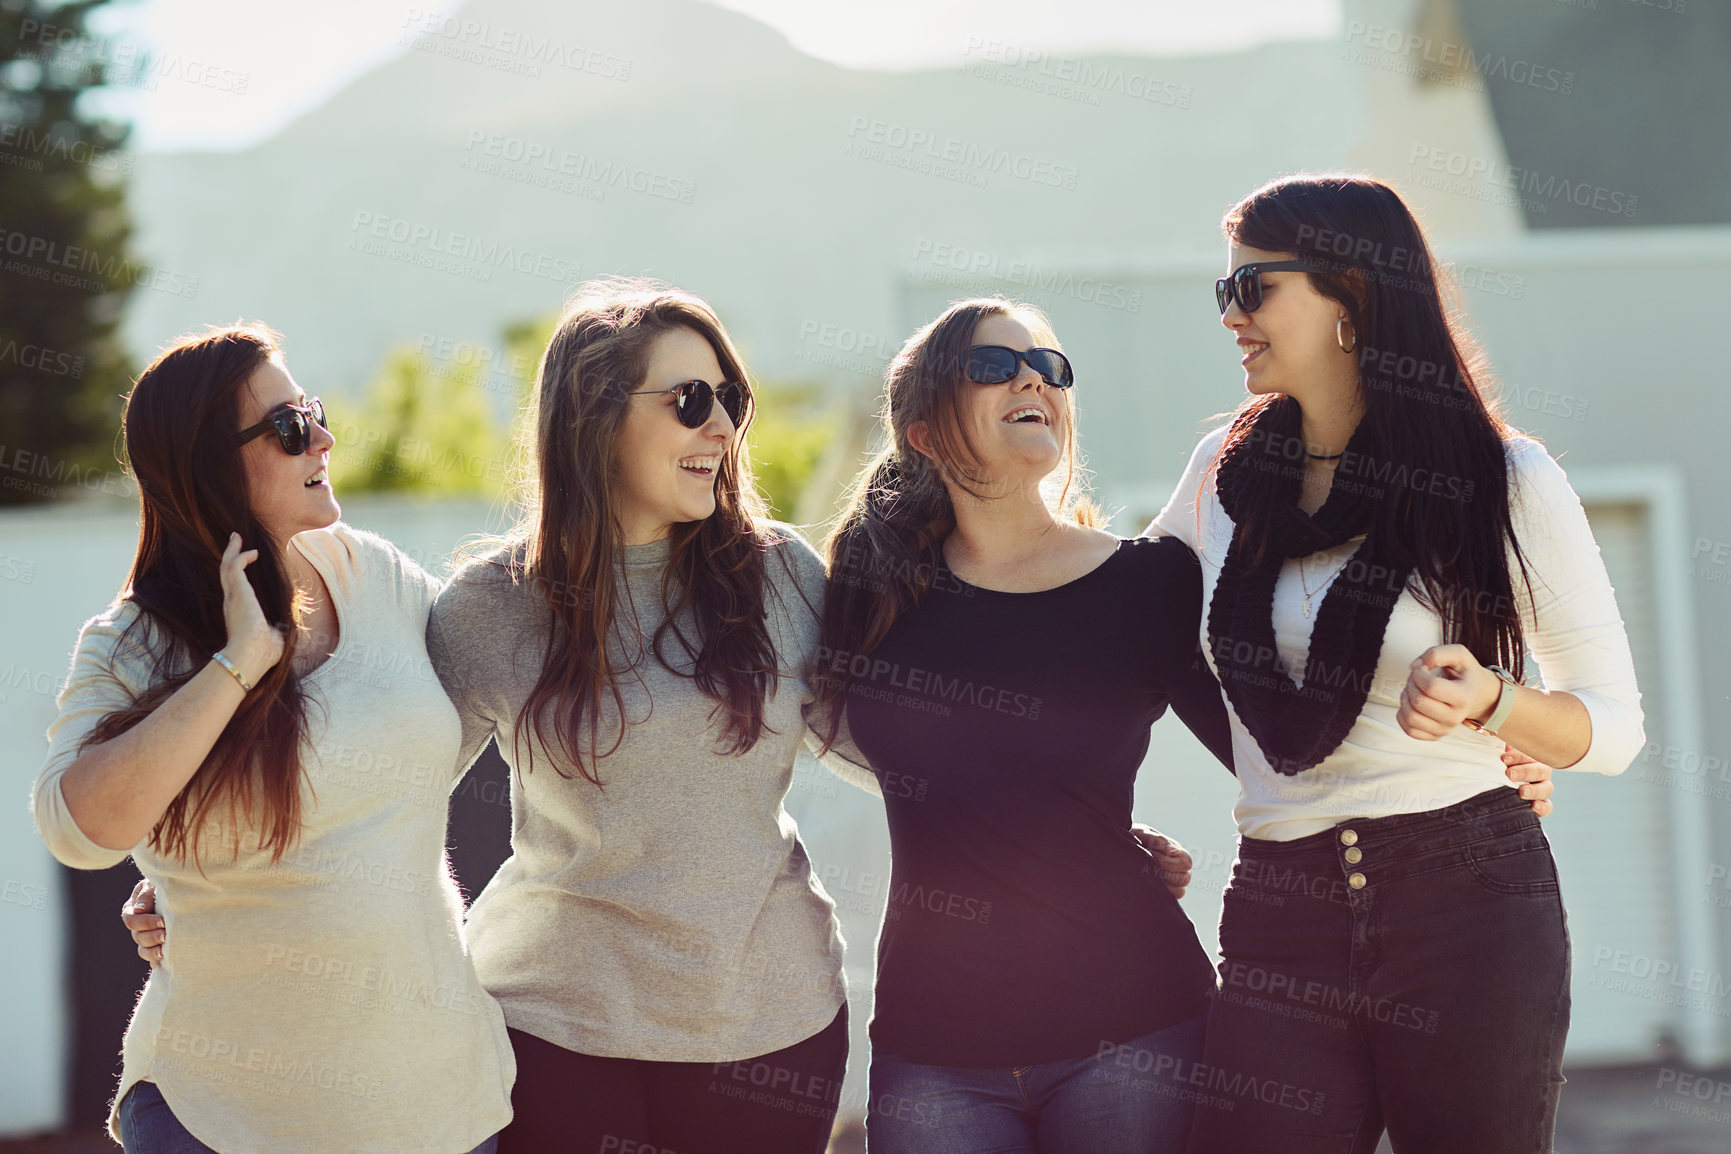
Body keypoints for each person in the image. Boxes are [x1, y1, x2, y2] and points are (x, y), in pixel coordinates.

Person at [1152, 173, 1643, 1154]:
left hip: (1467, 902)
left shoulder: (1502, 480)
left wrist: (1500, 703)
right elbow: (1136, 623)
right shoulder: (1222, 473)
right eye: (1224, 292)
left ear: (1352, 298)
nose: (1231, 317)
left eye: (1255, 289)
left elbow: (1615, 727)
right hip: (1280, 903)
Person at [422, 281, 878, 1154]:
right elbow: (387, 790)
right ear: (593, 416)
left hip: (768, 1020)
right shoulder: (491, 606)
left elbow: (880, 750)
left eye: (731, 401)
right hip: (552, 1020)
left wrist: (1079, 831)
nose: (721, 429)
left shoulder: (781, 576)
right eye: (689, 401)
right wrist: (210, 889)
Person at [34, 324, 512, 1153]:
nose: (323, 437)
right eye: (290, 427)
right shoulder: (134, 643)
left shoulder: (376, 575)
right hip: (223, 1118)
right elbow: (78, 829)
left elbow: (481, 702)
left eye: (314, 412)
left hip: (436, 1106)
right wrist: (238, 663)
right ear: (206, 465)